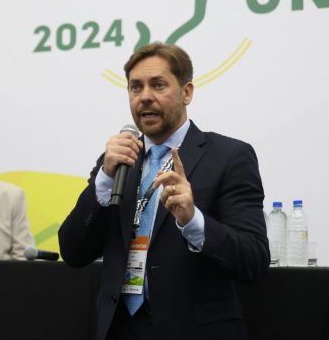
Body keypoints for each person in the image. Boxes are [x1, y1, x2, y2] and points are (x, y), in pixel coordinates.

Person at [58, 42, 268, 340]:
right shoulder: (117, 162)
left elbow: (254, 261)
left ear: (187, 92)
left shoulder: (229, 156)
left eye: (158, 85)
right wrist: (103, 181)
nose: (145, 97)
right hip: (119, 328)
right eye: (135, 87)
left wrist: (193, 221)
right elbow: (73, 252)